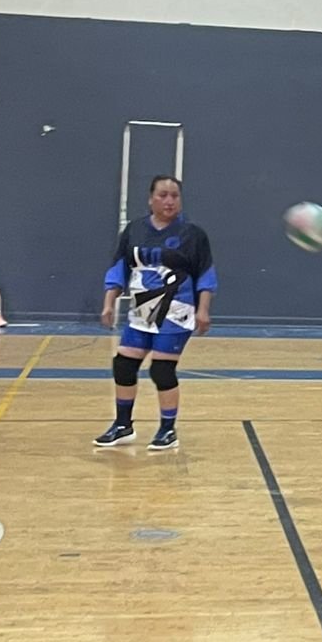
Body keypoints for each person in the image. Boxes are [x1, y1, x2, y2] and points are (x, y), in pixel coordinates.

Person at [93, 176, 217, 451]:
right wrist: (109, 303)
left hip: (176, 310)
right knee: (124, 365)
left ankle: (167, 429)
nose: (169, 200)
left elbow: (205, 273)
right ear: (151, 199)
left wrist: (203, 309)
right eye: (163, 195)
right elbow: (119, 267)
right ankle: (123, 425)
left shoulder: (192, 234)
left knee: (161, 370)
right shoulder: (135, 229)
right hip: (142, 310)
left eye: (175, 195)